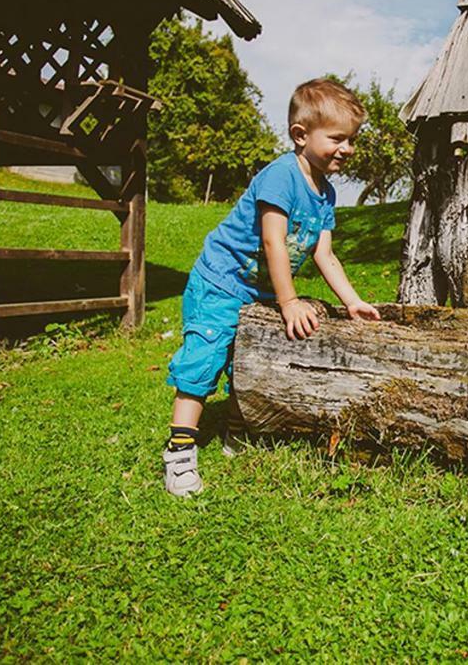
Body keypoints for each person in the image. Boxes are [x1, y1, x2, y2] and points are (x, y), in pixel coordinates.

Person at [162, 78, 381, 496]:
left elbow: (324, 254)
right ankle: (180, 453)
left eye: (351, 139)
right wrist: (289, 300)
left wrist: (353, 302)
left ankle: (236, 429)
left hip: (257, 289)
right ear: (301, 135)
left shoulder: (326, 194)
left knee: (249, 359)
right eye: (337, 138)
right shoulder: (281, 176)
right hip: (221, 282)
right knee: (205, 358)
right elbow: (272, 241)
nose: (347, 149)